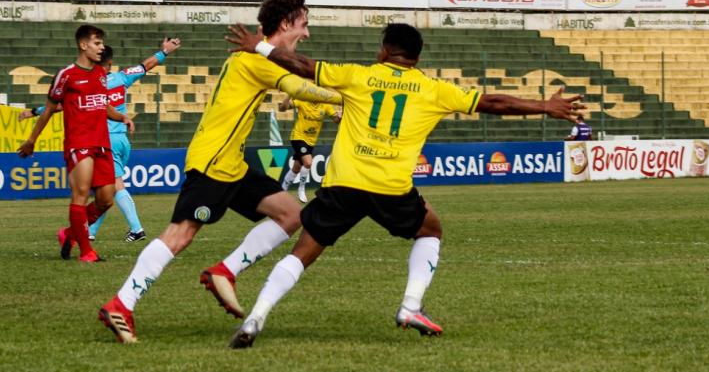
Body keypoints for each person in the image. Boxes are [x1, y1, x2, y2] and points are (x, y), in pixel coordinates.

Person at [222, 22, 585, 348]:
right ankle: (410, 306)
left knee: (303, 252)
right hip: (390, 188)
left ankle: (256, 318)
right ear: (416, 56)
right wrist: (544, 106)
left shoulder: (357, 76)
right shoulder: (433, 89)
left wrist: (259, 46)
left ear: (384, 50)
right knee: (431, 228)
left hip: (344, 184)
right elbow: (493, 102)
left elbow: (302, 66)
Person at [97, 0, 343, 344]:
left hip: (232, 163)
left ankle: (224, 271)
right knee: (180, 234)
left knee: (291, 214)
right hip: (214, 160)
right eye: (303, 26)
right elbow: (302, 87)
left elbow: (298, 74)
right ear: (286, 24)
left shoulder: (257, 56)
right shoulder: (257, 59)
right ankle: (122, 303)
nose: (306, 33)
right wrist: (353, 95)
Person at [19, 38, 182, 243]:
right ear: (111, 62)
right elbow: (146, 65)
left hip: (105, 141)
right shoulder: (122, 78)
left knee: (115, 186)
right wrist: (164, 51)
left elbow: (60, 106)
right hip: (123, 140)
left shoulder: (92, 83)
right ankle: (91, 230)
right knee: (105, 191)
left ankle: (137, 229)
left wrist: (34, 112)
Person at [17, 24, 134, 263]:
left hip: (102, 143)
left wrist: (121, 116)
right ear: (83, 45)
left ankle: (69, 234)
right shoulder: (67, 75)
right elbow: (49, 110)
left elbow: (103, 105)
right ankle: (86, 251)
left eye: (102, 44)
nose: (101, 48)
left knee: (106, 199)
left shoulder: (101, 74)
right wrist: (31, 140)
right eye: (97, 43)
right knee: (80, 194)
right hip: (78, 143)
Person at [278, 95, 341, 202]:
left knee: (296, 168)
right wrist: (289, 95)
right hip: (298, 137)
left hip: (311, 141)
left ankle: (282, 190)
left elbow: (336, 120)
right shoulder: (302, 100)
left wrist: (339, 116)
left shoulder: (325, 105)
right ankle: (301, 189)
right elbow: (282, 108)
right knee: (308, 162)